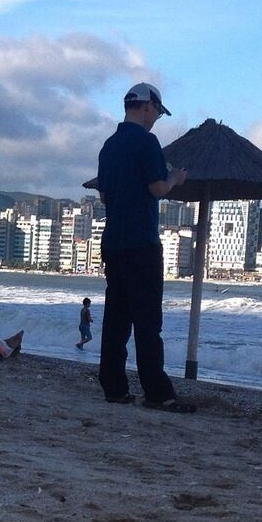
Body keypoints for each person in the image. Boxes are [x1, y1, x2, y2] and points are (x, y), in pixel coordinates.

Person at [95, 83, 193, 413]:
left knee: (116, 319)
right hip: (141, 242)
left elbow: (105, 196)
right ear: (148, 107)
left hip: (113, 242)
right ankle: (157, 392)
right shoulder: (147, 142)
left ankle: (114, 387)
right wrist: (175, 178)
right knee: (148, 322)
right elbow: (157, 189)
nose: (156, 122)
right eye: (157, 114)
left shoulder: (108, 147)